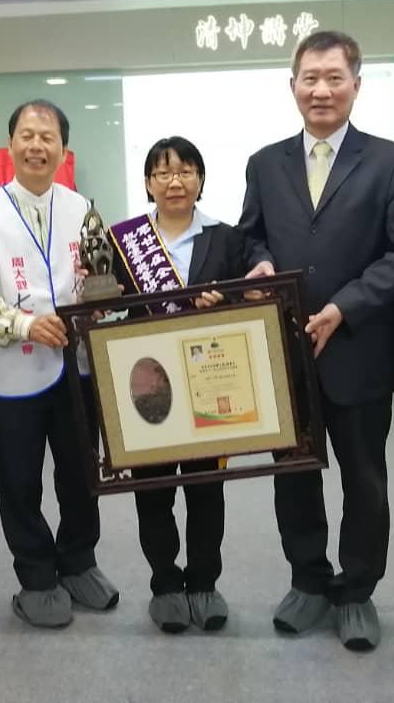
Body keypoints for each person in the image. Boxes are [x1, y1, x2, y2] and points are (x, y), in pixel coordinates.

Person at [238, 30, 394, 649]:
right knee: (293, 473)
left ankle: (357, 591)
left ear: (356, 85)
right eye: (309, 78)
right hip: (284, 355)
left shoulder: (392, 161)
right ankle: (309, 580)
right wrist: (260, 264)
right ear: (291, 85)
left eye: (333, 78)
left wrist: (345, 307)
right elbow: (252, 235)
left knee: (364, 478)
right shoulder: (266, 162)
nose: (320, 90)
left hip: (359, 349)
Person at [0, 99, 119, 628]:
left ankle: (78, 561)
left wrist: (99, 309)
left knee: (79, 474)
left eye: (47, 137)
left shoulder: (84, 211)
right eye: (26, 135)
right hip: (12, 374)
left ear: (63, 149)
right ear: (11, 146)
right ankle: (37, 575)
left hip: (78, 371)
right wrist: (24, 323)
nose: (36, 145)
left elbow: (104, 278)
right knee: (19, 482)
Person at [109, 136, 246, 634]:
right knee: (155, 490)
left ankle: (205, 583)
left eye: (186, 171)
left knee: (207, 488)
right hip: (149, 386)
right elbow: (111, 307)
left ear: (201, 179)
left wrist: (223, 304)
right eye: (163, 172)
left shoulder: (227, 238)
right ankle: (165, 584)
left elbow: (246, 302)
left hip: (209, 381)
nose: (175, 181)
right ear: (147, 183)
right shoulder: (125, 243)